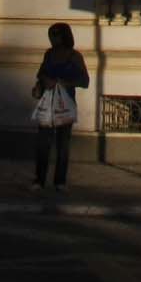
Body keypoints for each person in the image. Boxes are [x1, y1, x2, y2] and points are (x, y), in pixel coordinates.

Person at [32, 22, 89, 191]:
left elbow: (84, 81)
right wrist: (43, 82)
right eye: (51, 35)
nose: (52, 39)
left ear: (63, 36)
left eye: (55, 35)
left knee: (63, 144)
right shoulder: (49, 55)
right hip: (48, 103)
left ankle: (60, 181)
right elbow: (41, 73)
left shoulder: (74, 56)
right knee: (43, 143)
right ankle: (39, 180)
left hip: (65, 104)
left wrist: (64, 83)